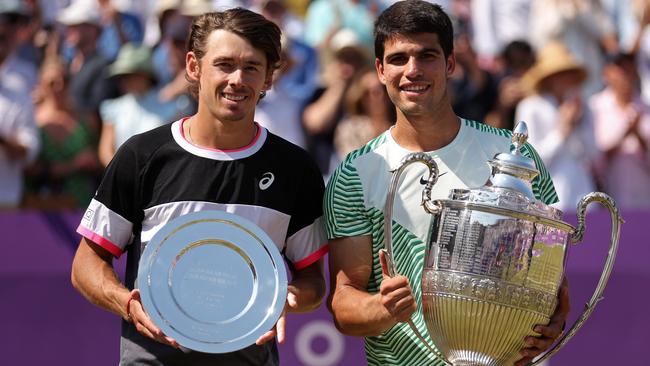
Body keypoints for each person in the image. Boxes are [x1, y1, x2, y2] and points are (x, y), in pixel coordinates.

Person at [71, 8, 327, 365]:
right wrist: (126, 302)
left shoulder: (294, 169)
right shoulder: (142, 155)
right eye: (224, 64)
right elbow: (86, 262)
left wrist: (289, 296)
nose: (238, 79)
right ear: (194, 67)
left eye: (252, 67)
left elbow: (314, 279)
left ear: (269, 77)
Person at [324, 2, 569, 366]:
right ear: (379, 70)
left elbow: (551, 283)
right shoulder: (355, 173)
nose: (412, 71)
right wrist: (384, 306)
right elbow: (344, 303)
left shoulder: (517, 157)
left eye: (427, 56)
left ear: (450, 63)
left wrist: (553, 320)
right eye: (398, 59)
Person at [516, 41, 599, 212]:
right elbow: (529, 161)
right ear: (550, 78)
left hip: (584, 197)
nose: (568, 80)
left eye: (570, 74)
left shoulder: (583, 108)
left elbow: (594, 154)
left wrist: (579, 122)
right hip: (548, 201)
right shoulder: (531, 107)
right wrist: (562, 131)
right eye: (561, 74)